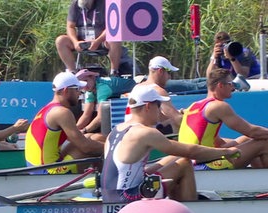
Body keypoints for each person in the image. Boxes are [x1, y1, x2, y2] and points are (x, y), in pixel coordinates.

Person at [101, 85, 240, 203]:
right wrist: (225, 152)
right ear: (148, 106)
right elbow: (191, 152)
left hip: (108, 196)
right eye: (159, 105)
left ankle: (177, 200)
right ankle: (191, 212)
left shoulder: (116, 130)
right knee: (185, 162)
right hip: (128, 198)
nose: (161, 111)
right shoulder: (145, 133)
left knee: (172, 159)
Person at [178, 68, 268, 170]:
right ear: (220, 85)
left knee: (245, 139)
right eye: (230, 83)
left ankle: (256, 180)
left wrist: (240, 147)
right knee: (264, 142)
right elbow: (252, 132)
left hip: (191, 161)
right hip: (203, 165)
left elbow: (216, 141)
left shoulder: (194, 105)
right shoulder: (218, 106)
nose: (233, 87)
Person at [25, 71, 104, 174]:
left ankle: (101, 179)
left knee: (93, 138)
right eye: (77, 89)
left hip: (38, 168)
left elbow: (82, 139)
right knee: (93, 149)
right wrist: (114, 148)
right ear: (66, 90)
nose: (80, 93)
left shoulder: (48, 108)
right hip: (47, 171)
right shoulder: (62, 112)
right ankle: (107, 182)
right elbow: (86, 147)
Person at [55, 0, 133, 76]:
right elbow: (70, 26)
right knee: (61, 40)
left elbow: (112, 26)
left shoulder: (106, 3)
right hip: (81, 41)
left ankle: (114, 72)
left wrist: (97, 41)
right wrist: (75, 42)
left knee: (115, 39)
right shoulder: (75, 4)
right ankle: (73, 72)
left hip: (101, 40)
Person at [127, 56, 184, 133]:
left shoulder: (137, 87)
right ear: (160, 71)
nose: (169, 77)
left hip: (130, 130)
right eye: (169, 72)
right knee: (177, 124)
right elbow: (177, 119)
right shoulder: (159, 91)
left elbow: (161, 117)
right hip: (144, 133)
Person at [75, 68, 136, 136]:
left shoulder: (102, 88)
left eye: (86, 81)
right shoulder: (89, 89)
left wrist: (84, 131)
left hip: (133, 89)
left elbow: (100, 117)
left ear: (92, 77)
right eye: (82, 84)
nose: (85, 86)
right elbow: (86, 115)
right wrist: (74, 130)